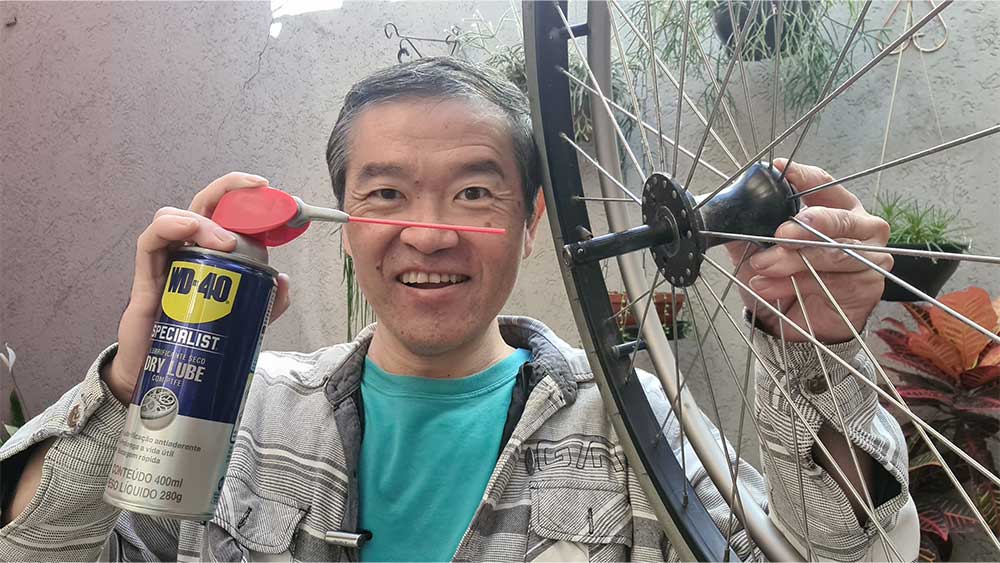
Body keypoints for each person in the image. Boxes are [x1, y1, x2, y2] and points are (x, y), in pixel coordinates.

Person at [0, 57, 915, 562]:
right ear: (340, 223)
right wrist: (133, 378)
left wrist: (820, 347)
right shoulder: (237, 413)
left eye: (476, 194)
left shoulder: (636, 433)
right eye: (387, 194)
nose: (428, 235)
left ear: (530, 223)